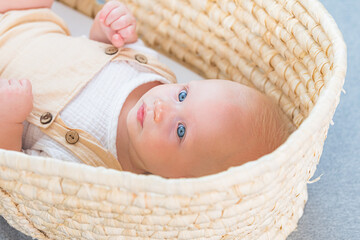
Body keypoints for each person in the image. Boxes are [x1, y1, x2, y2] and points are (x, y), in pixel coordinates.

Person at [0, 0, 293, 178]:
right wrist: (109, 30)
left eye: (180, 130)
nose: (162, 108)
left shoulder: (96, 167)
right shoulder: (151, 71)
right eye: (183, 95)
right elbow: (100, 46)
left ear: (179, 179)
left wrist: (9, 121)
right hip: (28, 23)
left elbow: (18, 174)